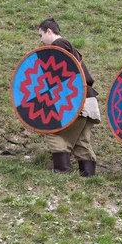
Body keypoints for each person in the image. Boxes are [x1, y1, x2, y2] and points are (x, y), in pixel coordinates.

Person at [38, 18, 99, 176]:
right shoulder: (69, 46)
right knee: (81, 142)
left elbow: (60, 76)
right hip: (88, 101)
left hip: (75, 101)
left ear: (49, 31)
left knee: (54, 132)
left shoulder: (59, 45)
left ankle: (62, 173)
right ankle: (88, 178)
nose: (41, 40)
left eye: (41, 35)